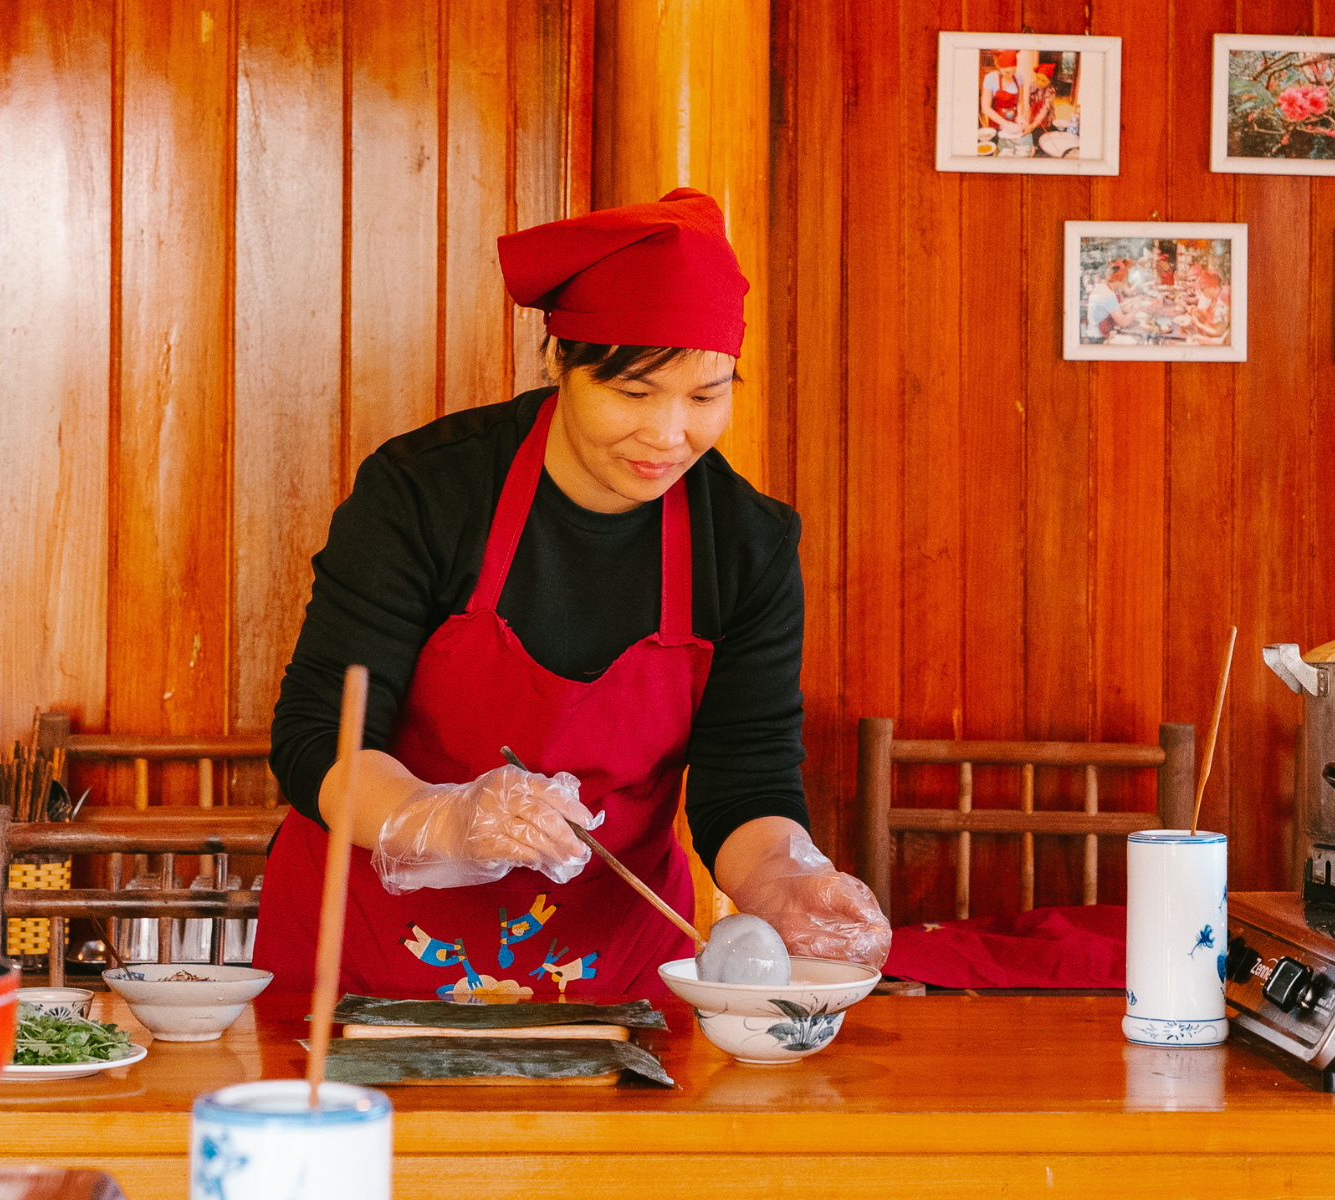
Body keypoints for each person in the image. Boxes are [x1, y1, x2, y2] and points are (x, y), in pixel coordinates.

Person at [256, 189, 892, 1001]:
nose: (669, 436)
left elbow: (749, 780)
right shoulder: (427, 492)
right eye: (634, 393)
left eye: (705, 396)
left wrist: (786, 881)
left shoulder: (746, 543)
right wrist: (442, 820)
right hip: (368, 951)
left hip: (606, 967)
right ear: (563, 365)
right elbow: (318, 735)